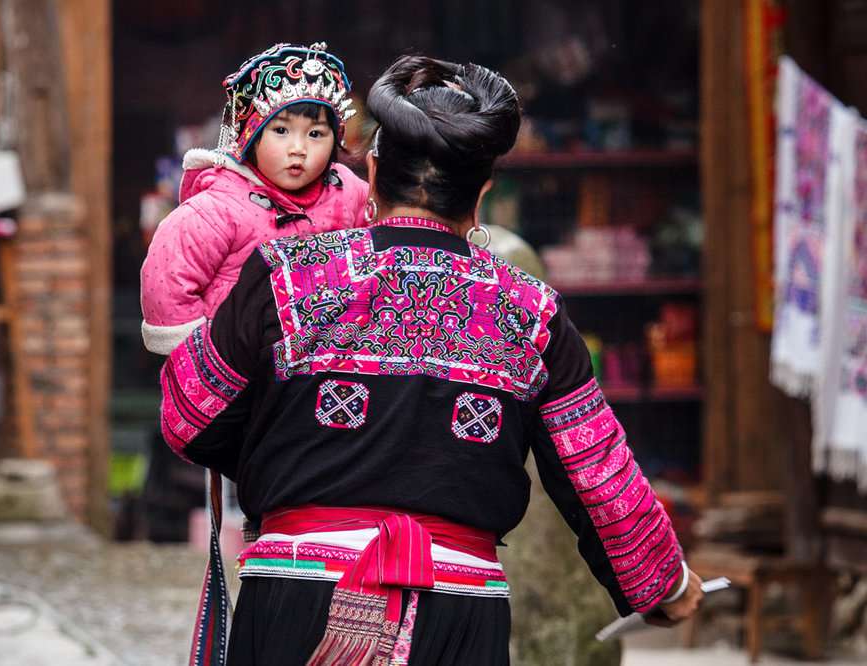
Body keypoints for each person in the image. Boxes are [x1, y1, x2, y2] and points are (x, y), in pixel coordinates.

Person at [159, 54, 703, 665]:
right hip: (458, 616)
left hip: (296, 602)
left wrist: (289, 443)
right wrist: (666, 585)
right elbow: (596, 472)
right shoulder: (530, 311)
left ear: (370, 170)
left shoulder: (286, 276)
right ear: (482, 195)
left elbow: (191, 418)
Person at [140, 42, 369, 355]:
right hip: (236, 377)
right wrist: (204, 361)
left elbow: (381, 251)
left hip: (323, 372)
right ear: (252, 135)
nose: (298, 148)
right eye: (281, 131)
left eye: (315, 134)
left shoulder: (349, 192)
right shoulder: (216, 210)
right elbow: (166, 282)